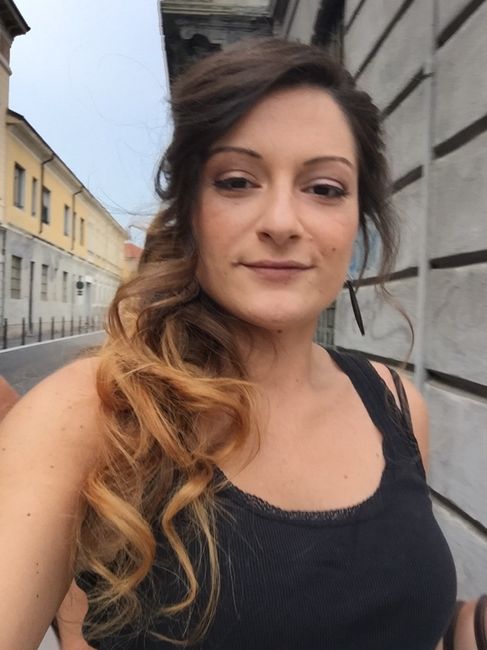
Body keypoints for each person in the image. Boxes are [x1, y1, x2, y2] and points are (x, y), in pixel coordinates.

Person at [0, 38, 485, 650]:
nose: (281, 221)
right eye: (236, 181)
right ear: (190, 213)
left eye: (324, 188)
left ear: (358, 223)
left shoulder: (397, 405)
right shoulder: (90, 413)